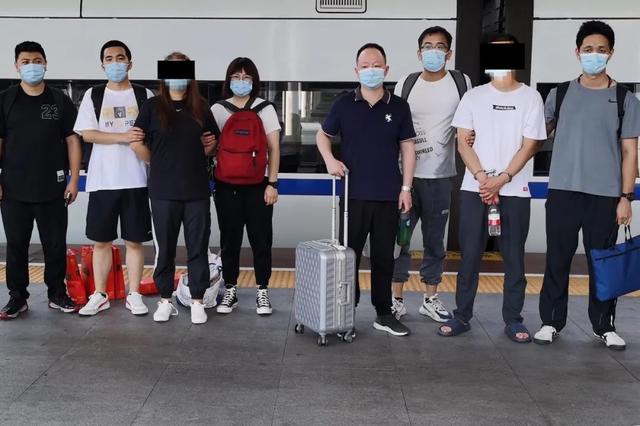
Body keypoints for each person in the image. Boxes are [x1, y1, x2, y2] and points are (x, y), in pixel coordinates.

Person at [534, 21, 640, 351]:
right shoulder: (560, 94)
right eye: (589, 49)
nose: (595, 55)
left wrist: (626, 197)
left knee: (602, 263)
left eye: (601, 50)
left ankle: (604, 325)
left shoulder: (625, 99)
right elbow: (535, 135)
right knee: (557, 259)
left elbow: (630, 152)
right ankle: (551, 321)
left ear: (611, 53)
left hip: (605, 195)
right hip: (563, 191)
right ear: (577, 52)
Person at [439, 34, 547, 342]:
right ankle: (462, 315)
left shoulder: (531, 98)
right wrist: (482, 177)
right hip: (475, 188)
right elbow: (463, 142)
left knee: (514, 258)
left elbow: (530, 145)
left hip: (515, 189)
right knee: (470, 255)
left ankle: (513, 319)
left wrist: (503, 178)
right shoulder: (473, 97)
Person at [317, 43, 416, 336]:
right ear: (356, 70)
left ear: (386, 69)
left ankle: (384, 314)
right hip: (353, 195)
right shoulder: (344, 104)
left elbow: (408, 148)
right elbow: (323, 136)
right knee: (348, 258)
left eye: (376, 65)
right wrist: (330, 160)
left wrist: (406, 188)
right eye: (365, 66)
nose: (371, 70)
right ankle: (345, 313)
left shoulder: (399, 106)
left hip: (388, 194)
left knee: (384, 258)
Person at [391, 26, 472, 322]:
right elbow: (394, 127)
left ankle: (430, 299)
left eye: (439, 47)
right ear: (419, 52)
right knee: (399, 240)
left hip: (441, 176)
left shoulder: (461, 82)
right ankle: (396, 300)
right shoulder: (406, 83)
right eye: (427, 46)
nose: (433, 51)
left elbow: (469, 122)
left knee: (435, 242)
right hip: (406, 178)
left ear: (449, 53)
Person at [133, 51, 219, 324]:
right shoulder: (152, 107)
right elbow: (136, 142)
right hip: (162, 192)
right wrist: (157, 162)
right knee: (165, 249)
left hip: (196, 191)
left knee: (198, 247)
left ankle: (197, 301)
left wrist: (208, 148)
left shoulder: (200, 107)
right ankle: (165, 300)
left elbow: (212, 143)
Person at [0, 41, 81, 319]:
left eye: (37, 61)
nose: (31, 66)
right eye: (25, 61)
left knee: (55, 245)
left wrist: (73, 180)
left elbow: (72, 140)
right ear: (16, 66)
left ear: (45, 63)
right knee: (16, 246)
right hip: (13, 189)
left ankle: (57, 294)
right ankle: (17, 297)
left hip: (53, 188)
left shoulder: (59, 99)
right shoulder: (6, 99)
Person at [73, 40, 154, 317]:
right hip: (102, 180)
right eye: (109, 58)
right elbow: (87, 134)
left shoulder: (144, 95)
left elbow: (154, 134)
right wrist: (123, 136)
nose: (115, 63)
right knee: (101, 241)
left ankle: (135, 294)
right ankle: (100, 294)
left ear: (130, 63)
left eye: (120, 57)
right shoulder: (93, 95)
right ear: (102, 65)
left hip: (137, 180)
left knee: (134, 241)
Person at [211, 57, 280, 316]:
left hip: (258, 186)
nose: (241, 81)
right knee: (229, 240)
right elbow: (209, 147)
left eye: (246, 77)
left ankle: (263, 289)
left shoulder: (265, 108)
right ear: (228, 80)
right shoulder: (218, 109)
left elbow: (274, 149)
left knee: (261, 239)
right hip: (225, 186)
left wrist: (272, 183)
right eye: (236, 77)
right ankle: (230, 288)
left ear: (254, 81)